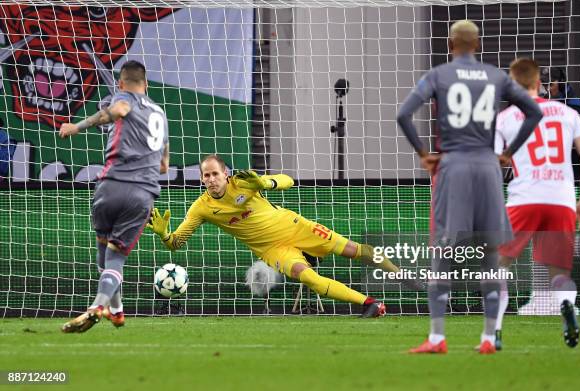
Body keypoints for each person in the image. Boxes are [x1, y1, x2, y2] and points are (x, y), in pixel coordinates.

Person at [396, 20, 543, 354]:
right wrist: (508, 152)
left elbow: (404, 114)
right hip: (489, 168)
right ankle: (489, 338)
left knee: (444, 252)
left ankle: (437, 337)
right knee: (491, 253)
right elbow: (533, 112)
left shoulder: (438, 75)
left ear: (451, 44)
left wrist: (423, 154)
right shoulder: (497, 76)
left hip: (455, 166)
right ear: (477, 44)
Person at [148, 155, 401, 317]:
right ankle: (370, 304)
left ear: (226, 174)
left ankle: (402, 276)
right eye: (206, 175)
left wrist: (264, 184)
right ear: (202, 179)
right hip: (273, 250)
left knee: (355, 251)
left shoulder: (244, 182)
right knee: (308, 277)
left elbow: (287, 179)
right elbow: (176, 244)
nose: (211, 179)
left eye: (215, 173)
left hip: (295, 226)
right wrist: (164, 235)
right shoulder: (201, 207)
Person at [59, 60, 170, 333]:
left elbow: (118, 111)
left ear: (121, 84)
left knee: (104, 252)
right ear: (146, 84)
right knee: (113, 257)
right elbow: (164, 165)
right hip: (143, 194)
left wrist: (77, 126)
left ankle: (98, 305)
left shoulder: (123, 97)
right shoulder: (160, 114)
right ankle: (116, 311)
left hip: (112, 186)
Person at [495, 58, 580, 349]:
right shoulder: (567, 112)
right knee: (558, 273)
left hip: (523, 199)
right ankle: (568, 306)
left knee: (498, 266)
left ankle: (496, 330)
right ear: (540, 83)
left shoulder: (505, 119)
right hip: (561, 200)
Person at [542, 66, 580, 180]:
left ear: (561, 83)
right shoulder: (540, 103)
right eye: (544, 84)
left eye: (550, 84)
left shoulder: (575, 107)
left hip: (571, 166)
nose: (547, 89)